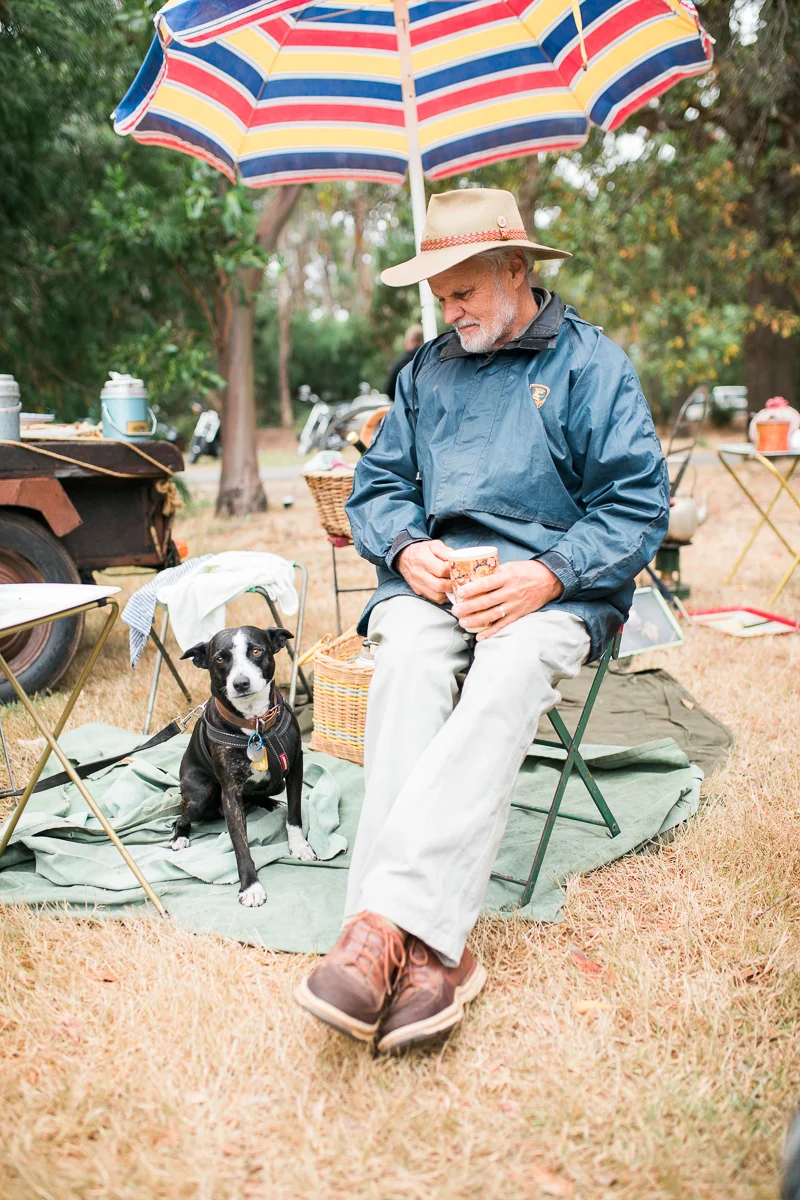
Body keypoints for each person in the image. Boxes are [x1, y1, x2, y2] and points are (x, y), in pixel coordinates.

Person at [296, 188, 669, 1053]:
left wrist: (549, 574)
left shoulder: (593, 366)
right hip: (438, 588)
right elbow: (377, 490)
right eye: (440, 296)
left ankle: (380, 929)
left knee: (505, 672)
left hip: (557, 588)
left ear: (515, 271)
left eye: (462, 291)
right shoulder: (426, 372)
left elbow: (639, 506)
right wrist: (403, 549)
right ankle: (429, 952)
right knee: (412, 664)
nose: (448, 309)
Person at [383, 324, 424, 400]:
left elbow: (388, 391)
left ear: (407, 343)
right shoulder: (430, 358)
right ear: (422, 342)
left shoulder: (399, 363)